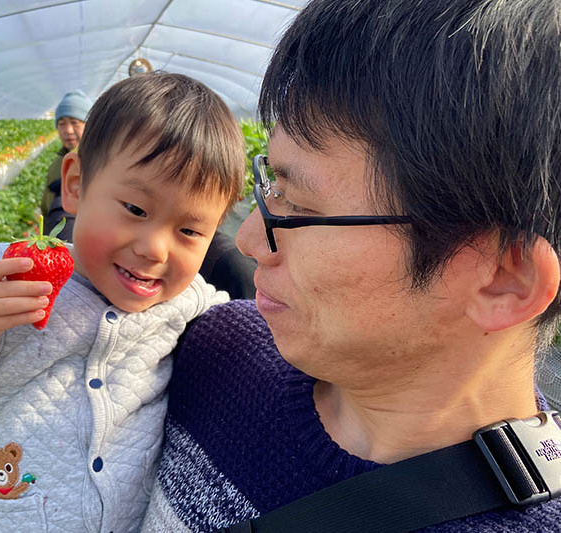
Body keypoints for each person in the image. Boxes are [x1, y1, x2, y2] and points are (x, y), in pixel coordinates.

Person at [142, 0, 561, 531]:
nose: (248, 240)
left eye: (302, 206)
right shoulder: (213, 350)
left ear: (503, 279)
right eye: (272, 185)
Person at [0, 72, 246, 533]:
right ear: (75, 185)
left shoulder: (189, 303)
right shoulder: (6, 276)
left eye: (189, 231)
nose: (155, 250)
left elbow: (257, 338)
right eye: (136, 210)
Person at [41, 89, 93, 241]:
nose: (68, 131)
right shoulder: (57, 163)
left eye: (75, 123)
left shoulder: (98, 163)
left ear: (88, 125)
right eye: (62, 124)